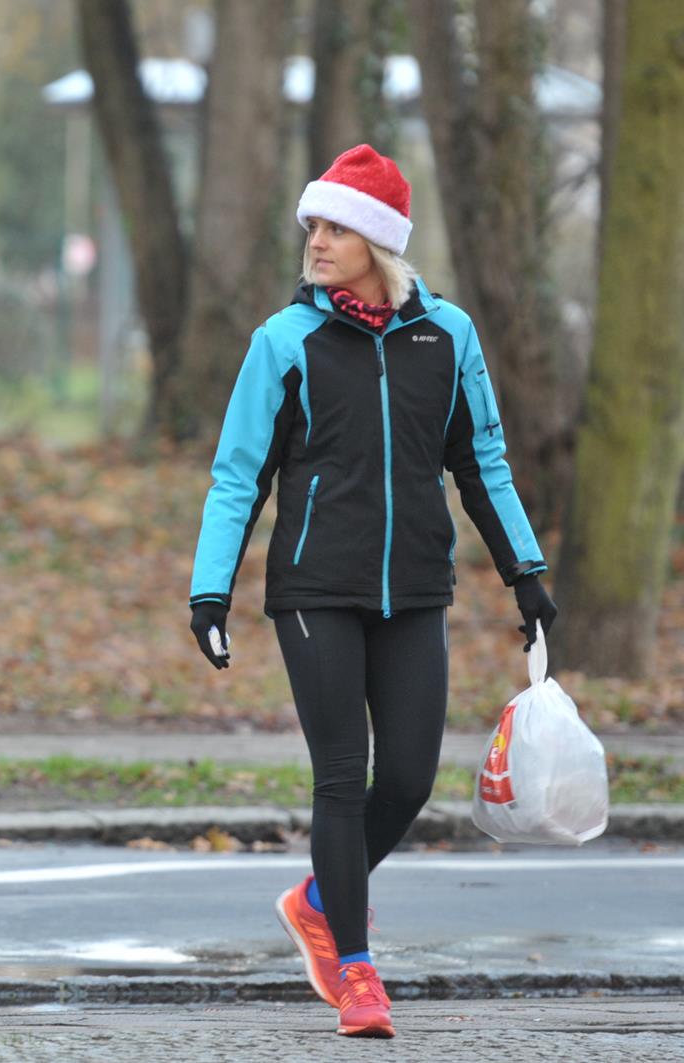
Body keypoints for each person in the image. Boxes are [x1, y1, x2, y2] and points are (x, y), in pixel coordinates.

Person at [188, 145, 557, 1039]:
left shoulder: (448, 336)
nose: (316, 241)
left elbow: (483, 462)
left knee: (411, 777)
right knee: (342, 778)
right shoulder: (285, 341)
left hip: (416, 588)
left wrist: (528, 573)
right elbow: (239, 475)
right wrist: (210, 591)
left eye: (335, 228)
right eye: (312, 226)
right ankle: (356, 971)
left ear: (379, 243)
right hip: (315, 588)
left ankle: (318, 900)